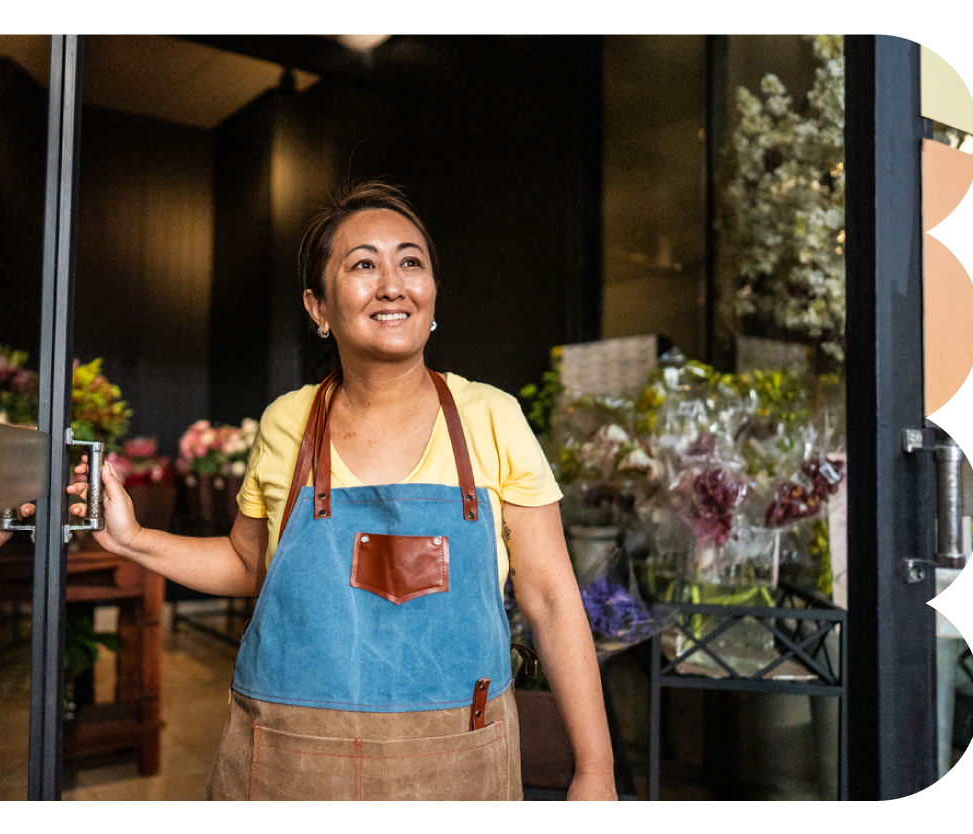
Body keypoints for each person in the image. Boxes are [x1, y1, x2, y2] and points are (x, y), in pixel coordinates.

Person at [69, 182, 617, 802]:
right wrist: (133, 539)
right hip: (288, 769)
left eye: (411, 261)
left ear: (433, 294)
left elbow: (550, 597)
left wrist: (595, 769)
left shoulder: (491, 417)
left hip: (457, 769)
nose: (393, 283)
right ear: (318, 307)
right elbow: (251, 563)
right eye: (363, 264)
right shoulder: (286, 422)